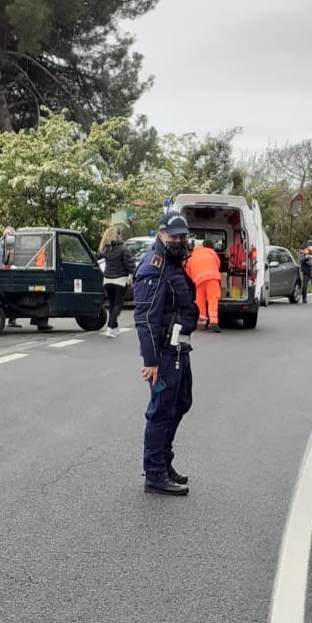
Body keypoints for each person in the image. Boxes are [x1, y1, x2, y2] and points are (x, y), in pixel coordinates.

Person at [134, 212, 199, 496]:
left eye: (183, 236)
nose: (180, 241)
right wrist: (150, 360)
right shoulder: (154, 267)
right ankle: (155, 473)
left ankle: (164, 461)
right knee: (161, 410)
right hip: (162, 357)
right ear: (161, 235)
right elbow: (145, 316)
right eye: (174, 236)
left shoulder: (173, 263)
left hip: (179, 350)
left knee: (181, 402)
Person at [100, 224, 136, 338]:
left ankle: (115, 328)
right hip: (120, 280)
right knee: (118, 305)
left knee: (112, 305)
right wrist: (135, 275)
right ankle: (110, 327)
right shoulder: (123, 248)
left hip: (107, 280)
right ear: (118, 235)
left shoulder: (105, 248)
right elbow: (129, 265)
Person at [185, 236, 224, 332]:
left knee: (200, 302)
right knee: (212, 300)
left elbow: (187, 272)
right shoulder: (212, 253)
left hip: (198, 281)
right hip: (212, 278)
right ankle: (213, 322)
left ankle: (201, 324)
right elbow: (217, 264)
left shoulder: (192, 257)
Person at [0, 227, 20, 325]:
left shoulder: (9, 245)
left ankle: (12, 319)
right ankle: (3, 319)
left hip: (7, 272)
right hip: (0, 274)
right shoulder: (0, 245)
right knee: (3, 297)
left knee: (13, 296)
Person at [299, 240, 312, 304]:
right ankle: (304, 299)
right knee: (305, 286)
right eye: (310, 246)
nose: (311, 247)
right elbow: (301, 260)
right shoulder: (304, 252)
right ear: (307, 246)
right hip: (306, 272)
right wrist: (306, 257)